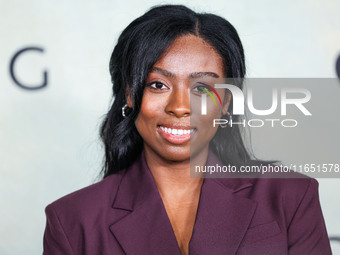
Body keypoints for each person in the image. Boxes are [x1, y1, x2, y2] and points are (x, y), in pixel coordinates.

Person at [43, 5, 332, 255]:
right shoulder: (72, 219)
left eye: (202, 88)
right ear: (130, 95)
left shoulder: (289, 196)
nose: (180, 107)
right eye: (158, 85)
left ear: (227, 102)